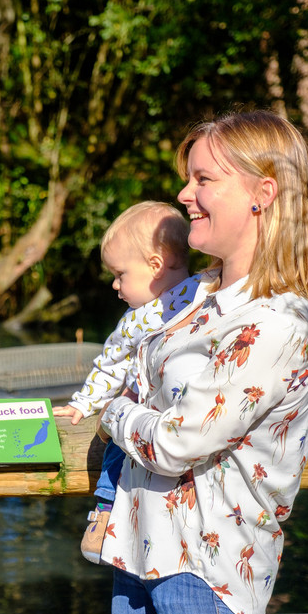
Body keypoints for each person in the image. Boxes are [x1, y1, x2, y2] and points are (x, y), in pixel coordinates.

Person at [98, 110, 308, 614]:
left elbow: (176, 442)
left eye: (203, 180)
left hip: (207, 571)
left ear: (262, 193)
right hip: (137, 549)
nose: (184, 195)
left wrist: (114, 414)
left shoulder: (275, 321)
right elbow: (134, 378)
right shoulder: (194, 295)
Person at [51, 201, 201, 564]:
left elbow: (110, 364)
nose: (116, 286)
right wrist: (84, 405)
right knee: (120, 446)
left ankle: (105, 512)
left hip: (164, 417)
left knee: (117, 449)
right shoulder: (207, 292)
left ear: (154, 265)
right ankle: (108, 510)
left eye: (120, 275)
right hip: (166, 418)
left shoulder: (147, 315)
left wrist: (85, 403)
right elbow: (112, 365)